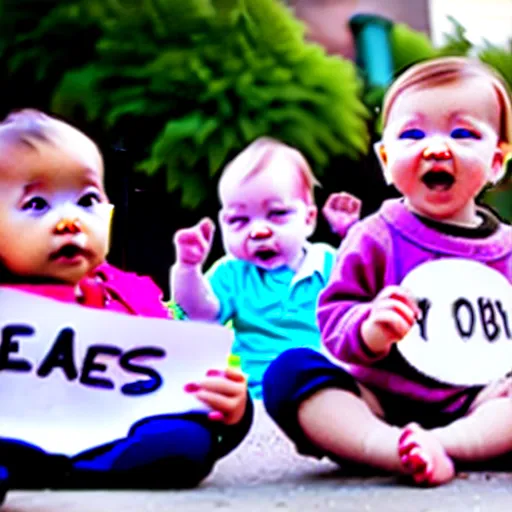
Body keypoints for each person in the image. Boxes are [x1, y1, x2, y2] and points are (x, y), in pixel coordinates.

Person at [263, 56, 512, 486]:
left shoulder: (507, 247)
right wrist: (369, 328)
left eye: (464, 133)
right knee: (291, 373)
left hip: (479, 401)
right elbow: (335, 315)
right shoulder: (375, 236)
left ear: (496, 160)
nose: (436, 148)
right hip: (378, 397)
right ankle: (387, 448)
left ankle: (448, 444)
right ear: (385, 159)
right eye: (412, 134)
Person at [0, 109, 253, 503]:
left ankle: (83, 469)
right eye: (36, 204)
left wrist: (232, 406)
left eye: (86, 199)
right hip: (12, 435)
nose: (70, 222)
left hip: (111, 441)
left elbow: (181, 374)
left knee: (185, 438)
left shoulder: (130, 295)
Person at [171, 136, 361, 399]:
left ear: (308, 220)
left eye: (277, 214)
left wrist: (351, 234)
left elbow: (367, 287)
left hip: (327, 390)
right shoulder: (232, 273)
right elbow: (201, 313)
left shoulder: (330, 262)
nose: (259, 231)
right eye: (239, 220)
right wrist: (188, 268)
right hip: (258, 396)